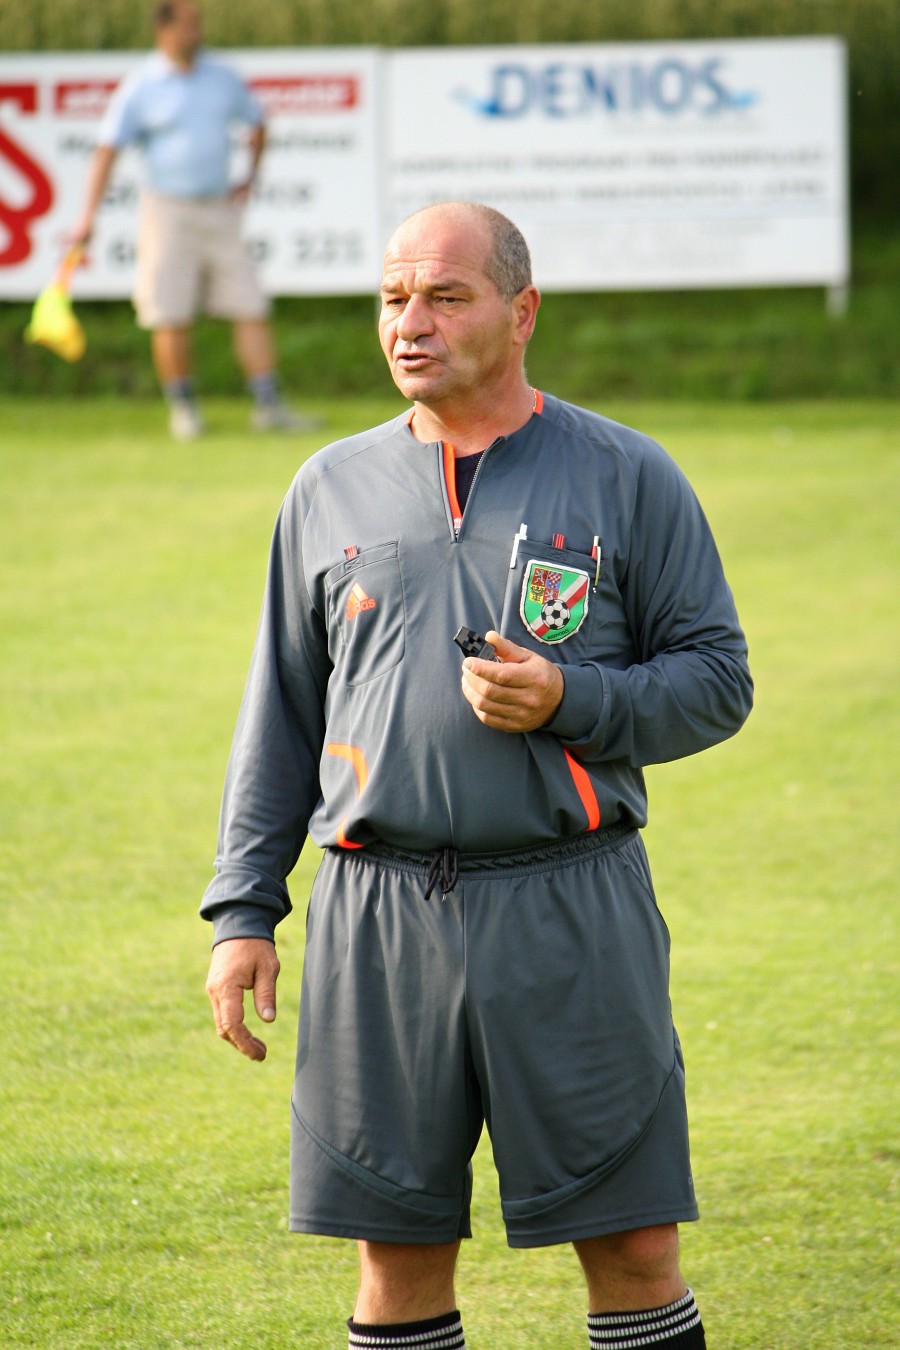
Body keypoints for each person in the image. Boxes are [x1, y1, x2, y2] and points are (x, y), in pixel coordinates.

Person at [202, 200, 752, 1349]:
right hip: (377, 916)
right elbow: (282, 715)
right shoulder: (328, 487)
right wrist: (243, 912)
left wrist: (573, 699)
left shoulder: (626, 474)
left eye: (446, 297)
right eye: (394, 298)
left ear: (522, 310)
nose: (412, 323)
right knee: (395, 1257)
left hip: (572, 903)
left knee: (634, 1244)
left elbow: (716, 680)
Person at [69, 0, 315, 440]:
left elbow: (257, 122)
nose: (196, 33)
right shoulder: (142, 85)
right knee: (170, 311)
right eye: (187, 26)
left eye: (198, 25)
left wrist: (250, 177)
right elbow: (108, 149)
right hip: (166, 210)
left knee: (250, 304)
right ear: (163, 30)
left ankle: (269, 406)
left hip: (219, 207)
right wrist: (88, 216)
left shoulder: (221, 76)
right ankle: (184, 410)